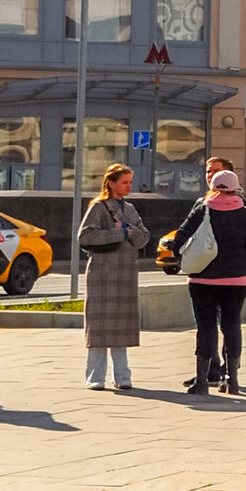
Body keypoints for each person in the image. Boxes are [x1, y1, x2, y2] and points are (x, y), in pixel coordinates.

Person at [173, 169, 246, 394]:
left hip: (203, 279)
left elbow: (180, 239)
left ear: (212, 187)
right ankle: (232, 380)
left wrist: (187, 261)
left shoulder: (202, 210)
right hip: (237, 279)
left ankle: (202, 381)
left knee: (206, 327)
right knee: (232, 324)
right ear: (236, 188)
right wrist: (243, 263)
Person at [76, 163, 149, 390]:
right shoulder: (98, 207)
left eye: (130, 182)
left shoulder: (130, 209)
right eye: (124, 182)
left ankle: (123, 377)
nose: (129, 186)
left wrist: (129, 229)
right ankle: (95, 377)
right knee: (99, 326)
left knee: (122, 326)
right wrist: (120, 232)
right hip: (102, 273)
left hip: (125, 272)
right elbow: (85, 236)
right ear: (111, 183)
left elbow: (144, 237)